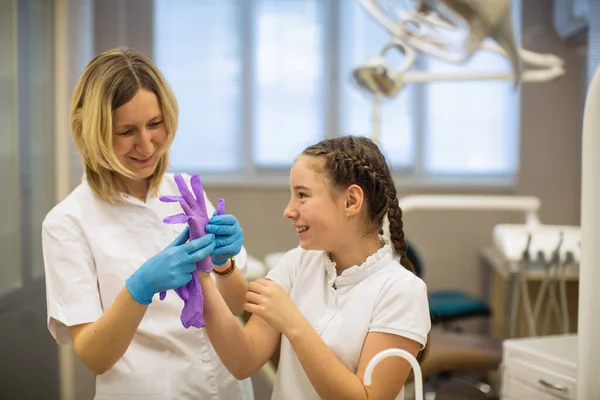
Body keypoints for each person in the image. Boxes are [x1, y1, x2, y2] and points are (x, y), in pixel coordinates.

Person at [42, 48, 252, 400]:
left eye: (155, 124)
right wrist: (138, 289)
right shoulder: (67, 222)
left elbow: (235, 305)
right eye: (126, 131)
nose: (146, 144)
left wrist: (223, 264)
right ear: (95, 132)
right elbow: (95, 356)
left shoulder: (186, 191)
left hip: (225, 386)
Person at [195, 135, 432, 399]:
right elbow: (243, 360)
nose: (288, 210)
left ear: (351, 201)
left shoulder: (402, 291)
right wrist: (208, 272)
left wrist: (294, 324)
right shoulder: (297, 262)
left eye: (302, 195)